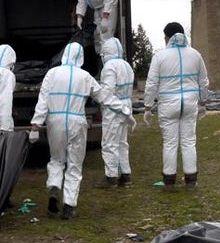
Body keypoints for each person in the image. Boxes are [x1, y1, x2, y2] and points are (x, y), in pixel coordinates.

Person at [29, 41, 131, 219]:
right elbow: (104, 97)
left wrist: (35, 125)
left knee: (56, 159)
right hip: (77, 121)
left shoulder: (52, 73)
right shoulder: (85, 76)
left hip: (55, 120)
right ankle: (69, 206)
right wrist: (124, 110)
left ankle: (54, 188)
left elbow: (43, 100)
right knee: (74, 165)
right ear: (81, 57)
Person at [142, 21, 209, 190]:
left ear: (168, 37)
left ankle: (169, 180)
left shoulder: (160, 57)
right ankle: (191, 180)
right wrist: (203, 102)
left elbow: (151, 84)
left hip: (168, 104)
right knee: (188, 141)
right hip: (190, 104)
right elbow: (203, 82)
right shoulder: (195, 55)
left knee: (170, 143)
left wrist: (148, 107)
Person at [97, 36, 135, 187]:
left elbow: (107, 93)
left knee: (109, 142)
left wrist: (99, 96)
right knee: (122, 142)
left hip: (114, 108)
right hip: (126, 105)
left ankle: (111, 176)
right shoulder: (126, 65)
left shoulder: (109, 67)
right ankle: (125, 174)